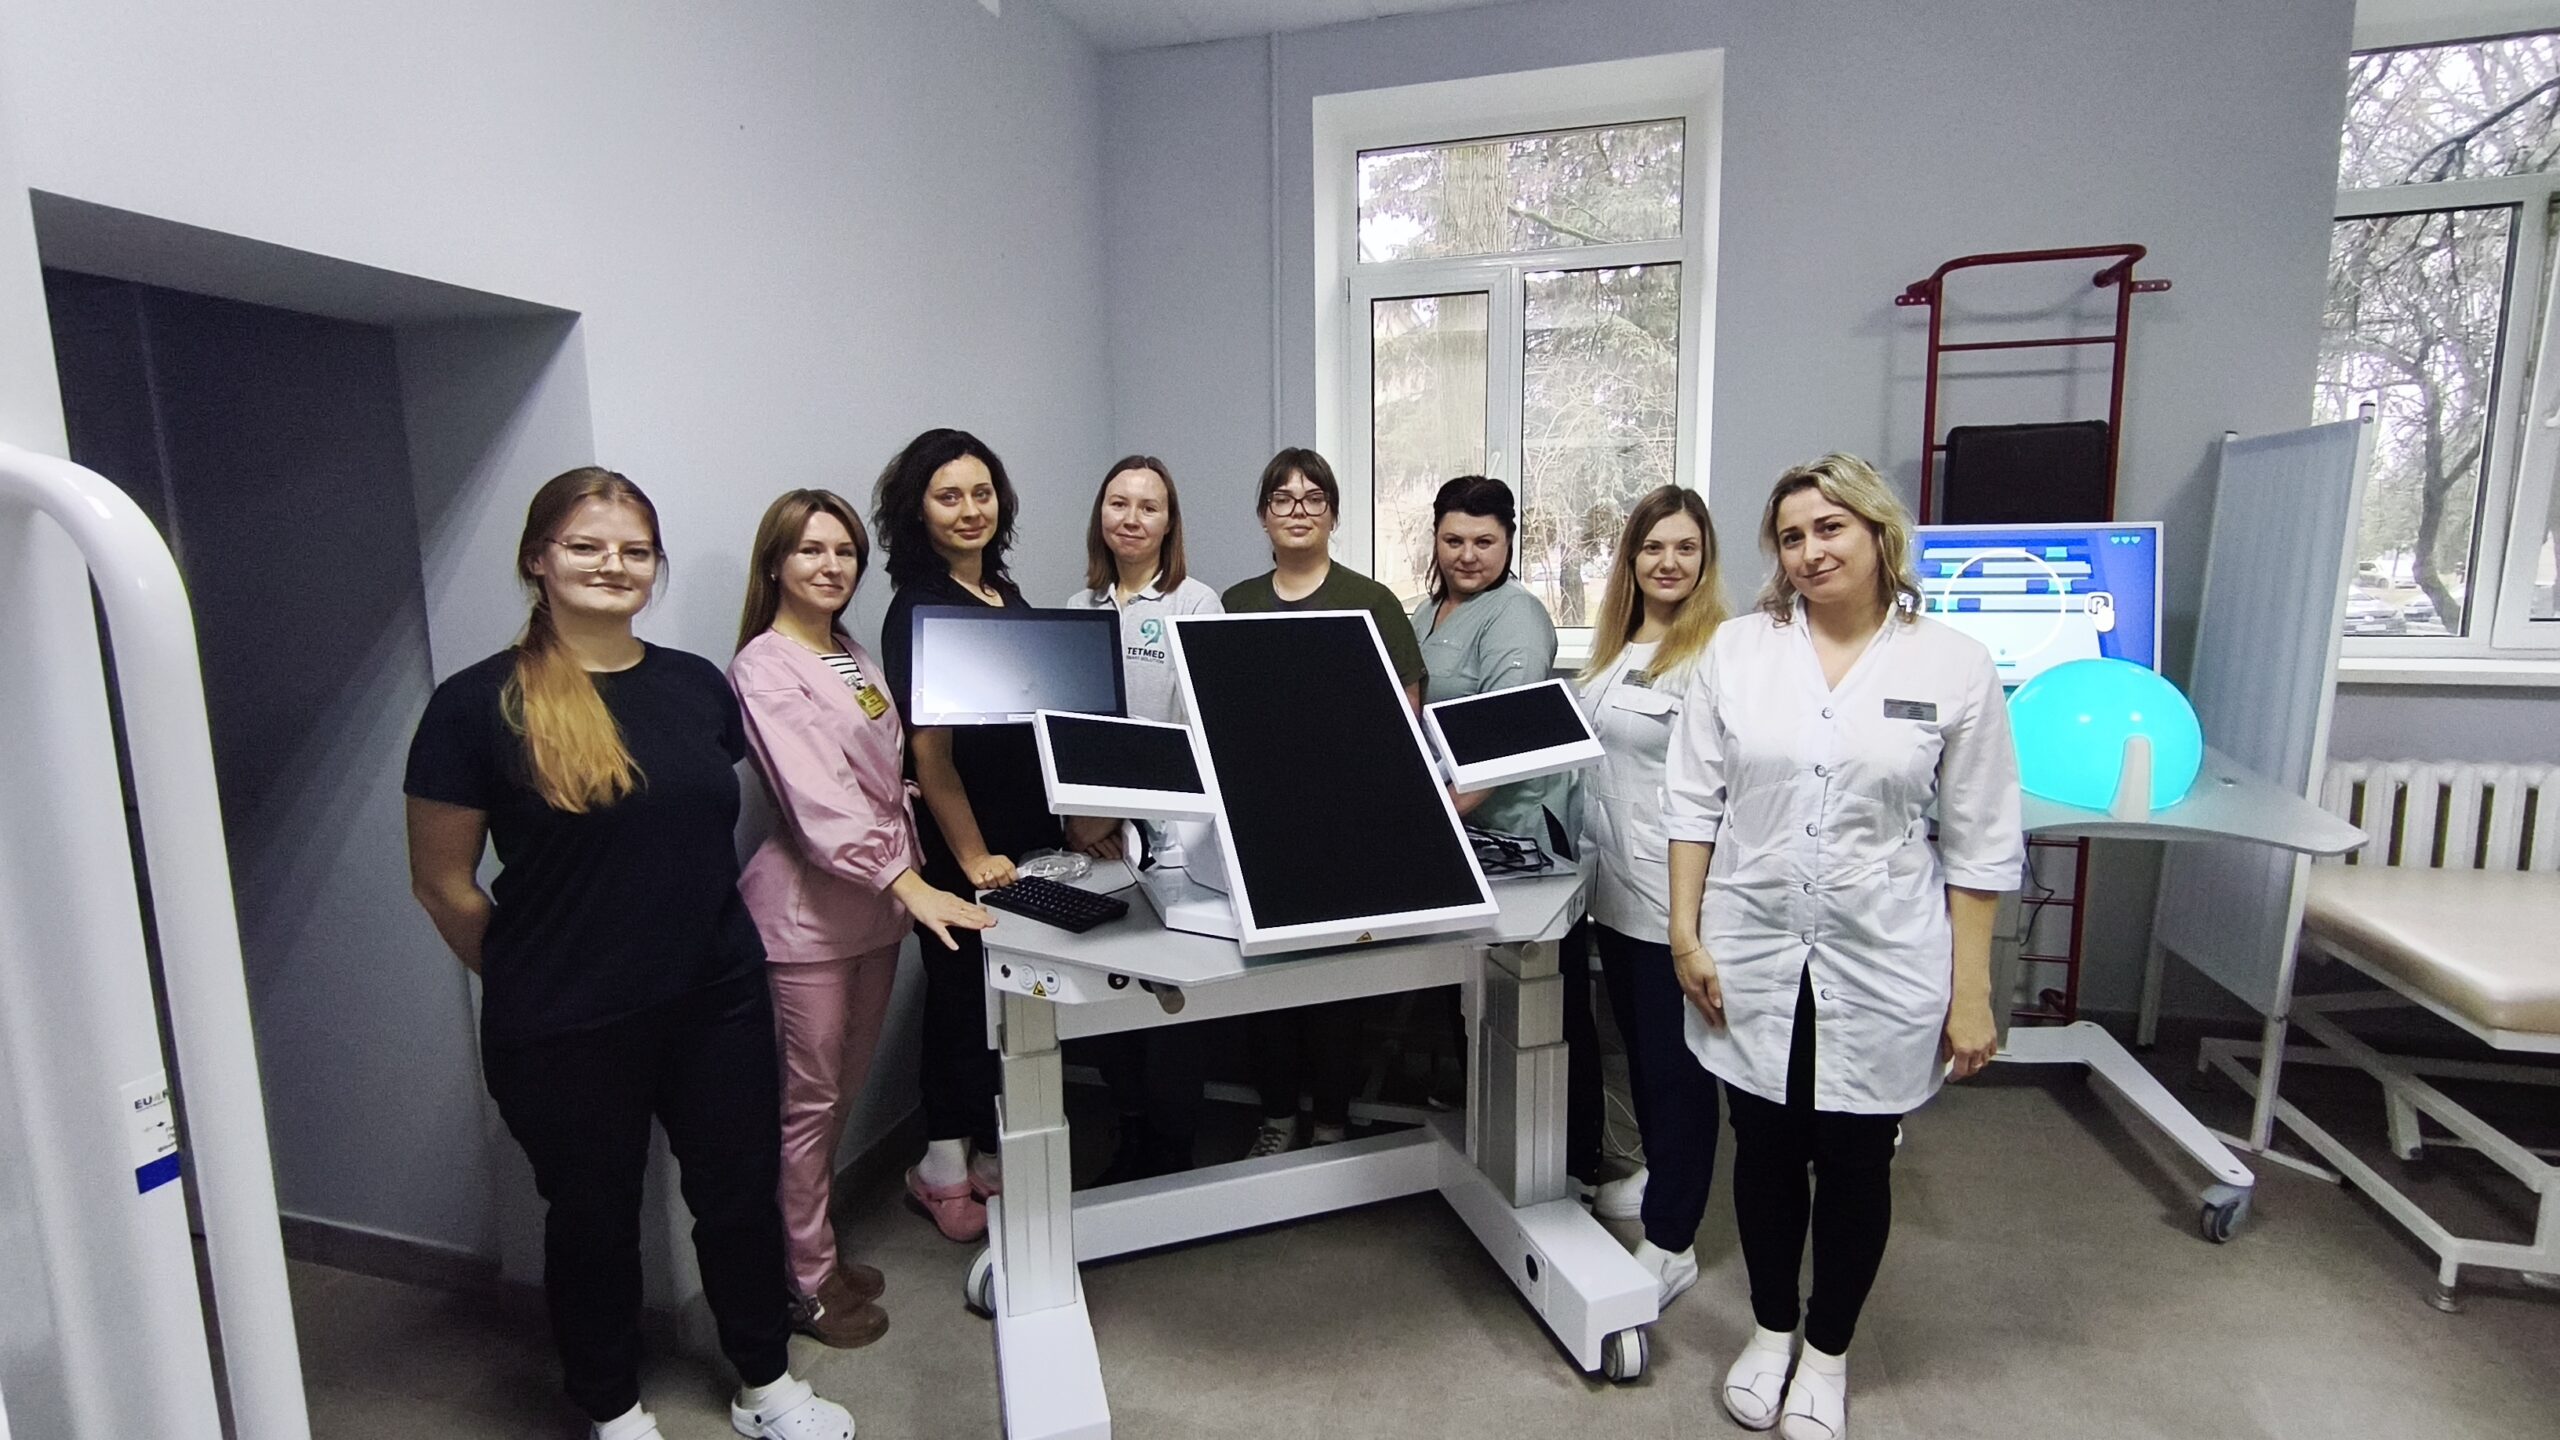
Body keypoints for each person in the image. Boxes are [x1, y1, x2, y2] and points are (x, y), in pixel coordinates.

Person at [403, 468, 856, 1440]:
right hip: (569, 1020)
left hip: (716, 998)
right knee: (594, 1220)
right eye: (585, 545)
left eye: (634, 551)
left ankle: (765, 1381)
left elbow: (686, 831)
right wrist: (538, 974)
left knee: (738, 1198)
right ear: (538, 559)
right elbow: (442, 884)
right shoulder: (475, 706)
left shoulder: (694, 685)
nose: (613, 565)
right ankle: (611, 1408)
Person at [1662, 455, 2021, 1440]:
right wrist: (1684, 934)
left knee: (1857, 1159)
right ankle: (1771, 1329)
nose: (1810, 551)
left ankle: (1827, 1351)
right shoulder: (1738, 650)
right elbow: (1692, 803)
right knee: (1764, 1147)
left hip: (1884, 954)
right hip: (1751, 943)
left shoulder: (1951, 664)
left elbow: (1981, 840)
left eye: (1830, 528)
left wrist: (1972, 992)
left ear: (1876, 532)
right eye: (1791, 536)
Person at [729, 488, 993, 1343]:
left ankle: (815, 1251)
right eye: (811, 550)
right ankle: (804, 1279)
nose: (831, 565)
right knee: (807, 1105)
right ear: (776, 564)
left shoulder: (848, 654)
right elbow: (820, 801)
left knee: (837, 1098)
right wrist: (910, 880)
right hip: (809, 921)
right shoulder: (765, 665)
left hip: (873, 913)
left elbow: (882, 770)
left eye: (844, 551)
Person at [873, 428, 1063, 1240]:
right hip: (964, 844)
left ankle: (984, 1154)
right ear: (917, 510)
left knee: (998, 997)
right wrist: (974, 854)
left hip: (1020, 832)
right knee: (958, 999)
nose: (969, 509)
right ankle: (941, 1166)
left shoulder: (1001, 594)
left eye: (981, 493)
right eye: (948, 496)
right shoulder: (920, 607)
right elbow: (932, 753)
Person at [1222, 447, 1426, 1155]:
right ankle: (1278, 1118)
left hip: (1347, 824)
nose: (1298, 511)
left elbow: (1406, 711)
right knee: (1267, 984)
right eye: (1283, 499)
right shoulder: (1236, 604)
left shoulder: (1372, 602)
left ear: (1334, 514)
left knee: (1338, 985)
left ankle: (1334, 1121)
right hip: (1262, 824)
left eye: (1314, 499)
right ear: (1263, 515)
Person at [1574, 485, 1729, 1312]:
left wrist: (1690, 921)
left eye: (1685, 548)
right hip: (1612, 896)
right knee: (1638, 1058)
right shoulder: (1615, 648)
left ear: (1705, 560)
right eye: (1653, 547)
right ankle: (1661, 1183)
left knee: (1677, 1074)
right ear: (1631, 558)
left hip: (1674, 906)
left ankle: (1672, 1239)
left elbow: (1719, 797)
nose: (1668, 562)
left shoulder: (1714, 656)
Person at [1062, 455, 1220, 1183]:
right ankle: (1129, 1125)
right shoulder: (1077, 606)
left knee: (1172, 997)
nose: (1131, 518)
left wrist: (1114, 811)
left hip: (1170, 838)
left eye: (1148, 506)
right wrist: (1081, 818)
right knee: (1109, 983)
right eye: (1118, 503)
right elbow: (1066, 725)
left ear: (1169, 522)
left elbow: (1195, 736)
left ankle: (1173, 1144)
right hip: (1093, 837)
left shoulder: (1196, 605)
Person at [1410, 474, 1562, 839]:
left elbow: (1503, 743)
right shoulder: (1426, 612)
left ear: (1508, 542)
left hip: (1506, 830)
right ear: (1436, 539)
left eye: (1484, 542)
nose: (1467, 556)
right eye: (1453, 541)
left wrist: (1427, 819)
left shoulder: (1516, 615)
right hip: (1450, 813)